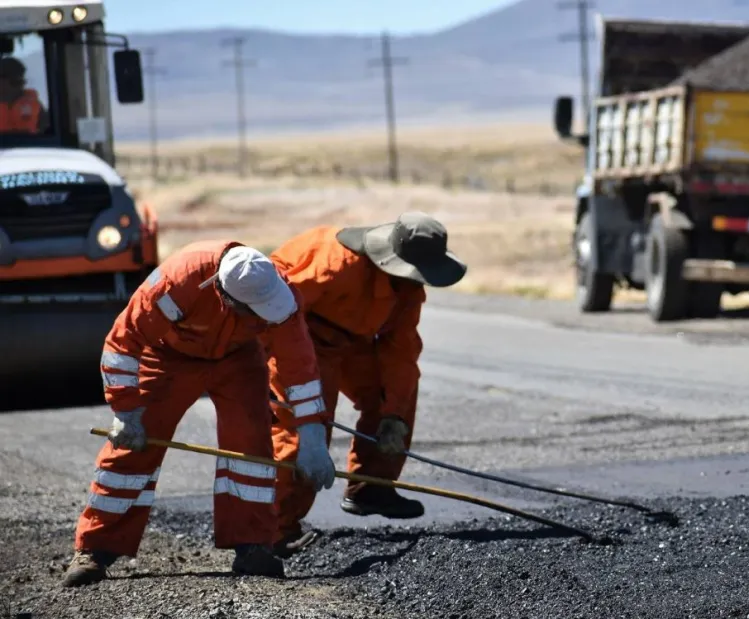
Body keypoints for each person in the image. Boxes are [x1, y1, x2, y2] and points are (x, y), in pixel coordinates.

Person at [63, 241, 338, 587]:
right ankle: (94, 549)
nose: (263, 316)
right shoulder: (178, 282)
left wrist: (312, 437)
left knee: (251, 448)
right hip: (168, 357)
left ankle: (253, 545)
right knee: (134, 447)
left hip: (238, 359)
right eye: (255, 311)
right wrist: (126, 410)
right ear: (225, 296)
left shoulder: (277, 289)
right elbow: (123, 342)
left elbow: (300, 365)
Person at [266, 212, 467, 558]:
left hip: (353, 344)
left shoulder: (407, 291)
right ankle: (273, 532)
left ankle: (370, 487)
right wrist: (256, 363)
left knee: (397, 393)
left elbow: (401, 351)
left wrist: (393, 417)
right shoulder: (330, 265)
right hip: (301, 339)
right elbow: (271, 310)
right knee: (305, 430)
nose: (415, 283)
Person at [0, 56, 47, 133]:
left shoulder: (35, 105)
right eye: (15, 81)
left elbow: (47, 132)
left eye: (21, 81)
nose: (21, 84)